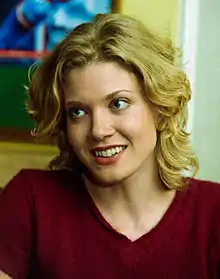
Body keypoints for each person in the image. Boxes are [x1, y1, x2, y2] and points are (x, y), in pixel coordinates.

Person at [0, 12, 219, 279]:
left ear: (160, 109)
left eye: (118, 103)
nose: (98, 131)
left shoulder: (213, 213)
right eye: (78, 112)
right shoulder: (30, 201)